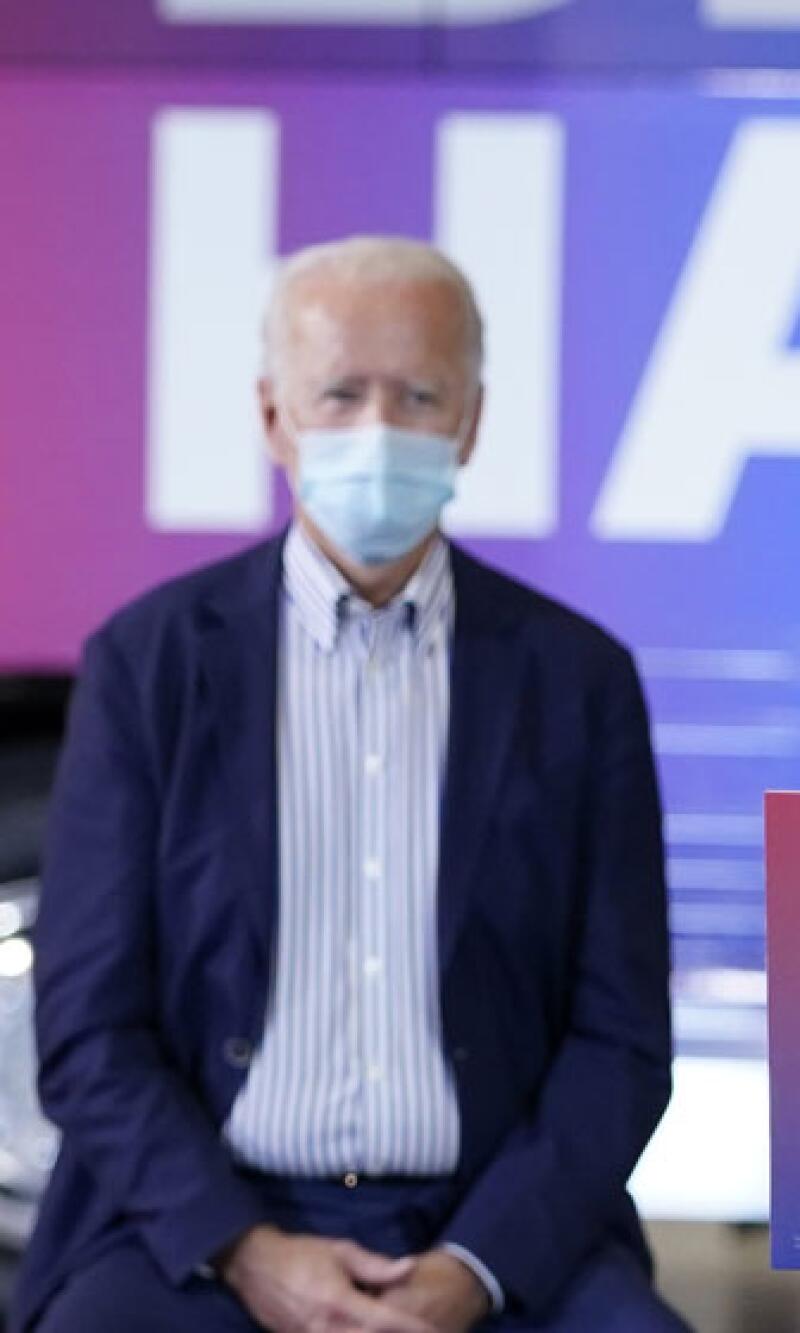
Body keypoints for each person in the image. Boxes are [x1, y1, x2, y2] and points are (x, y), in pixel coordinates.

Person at [13, 237, 687, 1332]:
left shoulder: (577, 680)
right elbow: (88, 1028)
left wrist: (475, 1264)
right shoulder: (148, 663)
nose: (378, 429)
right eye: (340, 392)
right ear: (274, 416)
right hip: (201, 1234)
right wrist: (248, 1250)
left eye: (418, 394)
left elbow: (621, 1040)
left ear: (470, 420)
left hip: (494, 1227)